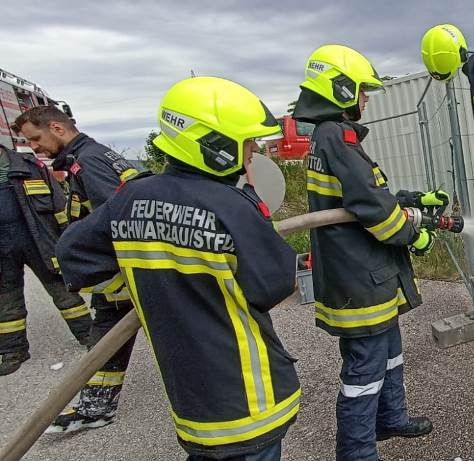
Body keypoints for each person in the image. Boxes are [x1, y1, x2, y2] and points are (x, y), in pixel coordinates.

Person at [56, 76, 300, 460]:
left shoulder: (130, 196)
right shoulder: (231, 206)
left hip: (192, 405)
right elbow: (276, 284)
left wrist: (144, 286)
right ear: (215, 145)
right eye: (247, 142)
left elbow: (73, 255)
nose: (253, 151)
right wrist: (253, 203)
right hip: (249, 400)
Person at [293, 44, 442, 461]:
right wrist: (413, 236)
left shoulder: (329, 138)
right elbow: (374, 210)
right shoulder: (336, 137)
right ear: (341, 90)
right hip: (359, 278)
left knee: (390, 354)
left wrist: (412, 199)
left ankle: (391, 419)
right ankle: (357, 452)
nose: (366, 99)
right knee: (364, 372)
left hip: (366, 274)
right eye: (362, 91)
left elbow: (362, 197)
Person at [12, 106, 140, 430]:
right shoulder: (93, 155)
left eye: (35, 139)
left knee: (119, 331)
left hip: (124, 268)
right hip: (125, 267)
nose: (34, 148)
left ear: (57, 128)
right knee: (109, 332)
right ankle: (96, 405)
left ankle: (96, 406)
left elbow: (119, 217)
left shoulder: (88, 162)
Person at [0, 144, 91, 376]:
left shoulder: (29, 166)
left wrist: (66, 238)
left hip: (38, 239)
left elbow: (59, 204)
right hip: (2, 247)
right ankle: (13, 351)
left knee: (61, 289)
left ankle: (88, 335)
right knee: (6, 298)